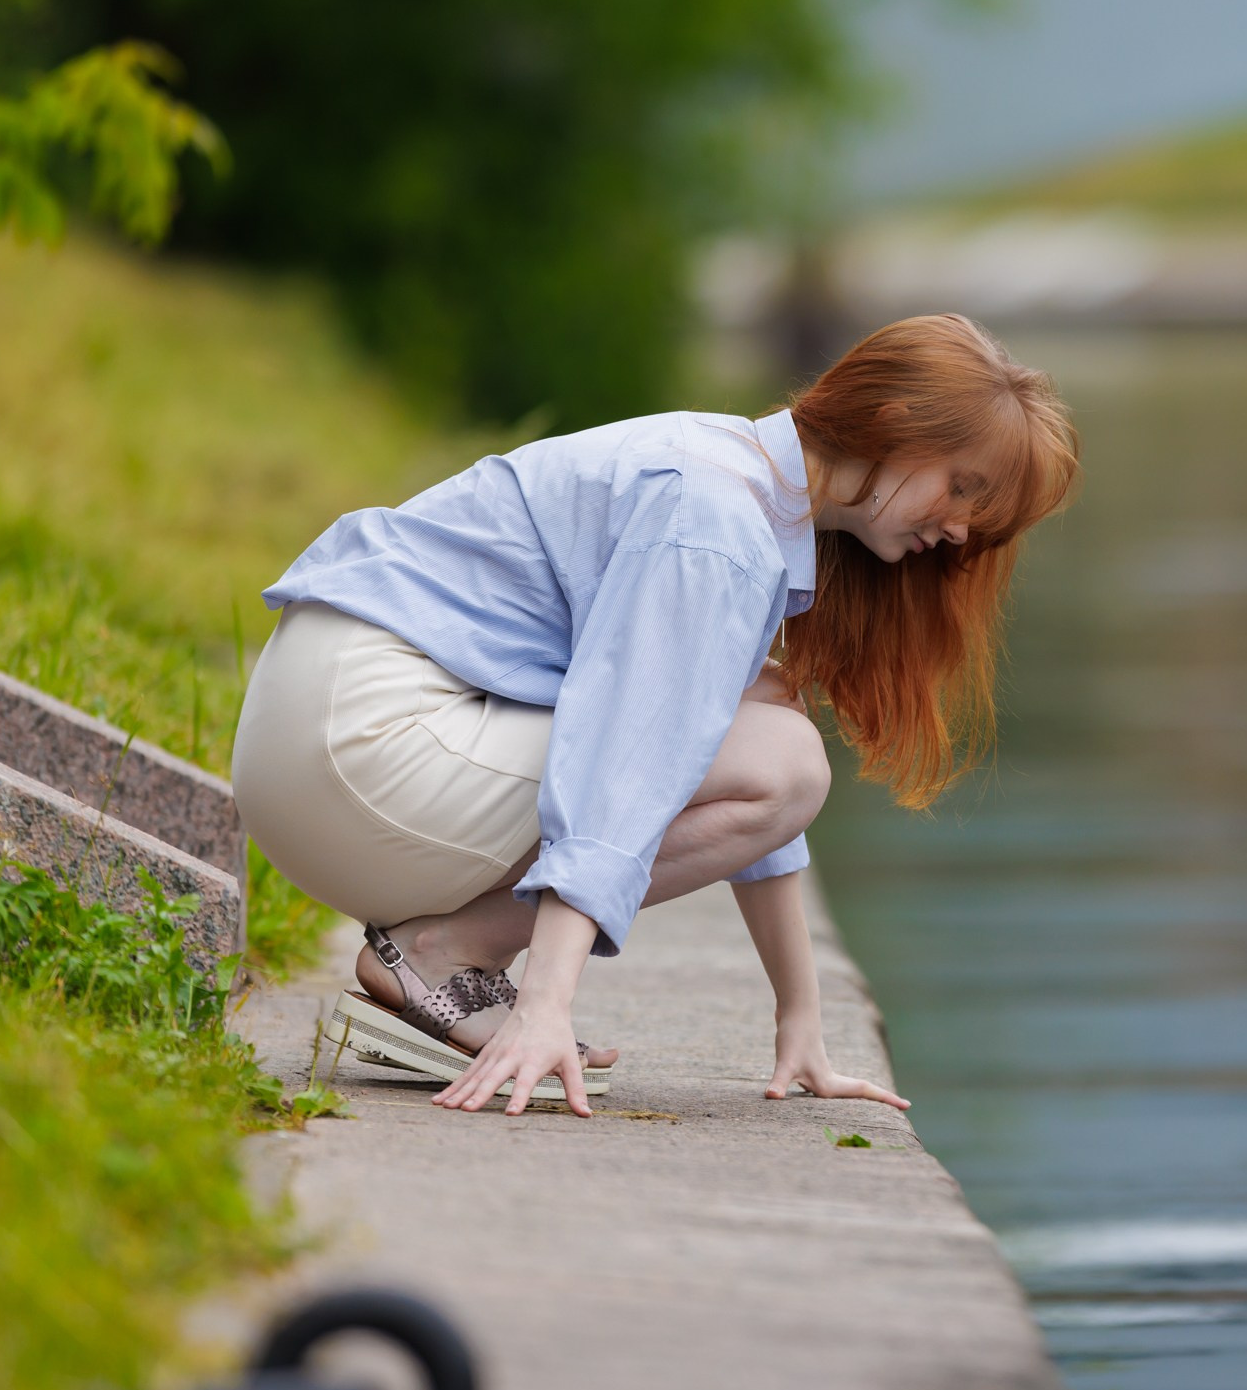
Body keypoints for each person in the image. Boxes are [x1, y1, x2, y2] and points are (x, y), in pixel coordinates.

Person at [230, 314, 1078, 1117]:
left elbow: (720, 773)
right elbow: (625, 762)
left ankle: (444, 950)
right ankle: (442, 953)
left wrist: (802, 1018)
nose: (960, 531)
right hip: (358, 741)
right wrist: (547, 1004)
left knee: (763, 721)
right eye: (961, 487)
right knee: (782, 757)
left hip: (321, 732)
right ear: (892, 423)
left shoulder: (736, 478)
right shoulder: (717, 523)